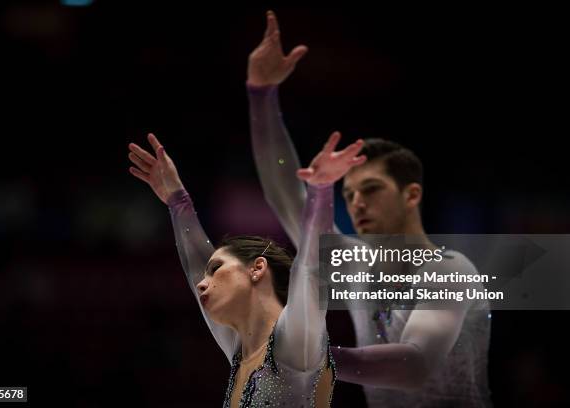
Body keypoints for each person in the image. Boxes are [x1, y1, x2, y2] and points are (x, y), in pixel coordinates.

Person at [246, 10, 493, 407]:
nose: (357, 202)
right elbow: (286, 197)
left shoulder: (451, 269)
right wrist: (260, 93)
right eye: (348, 193)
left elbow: (414, 366)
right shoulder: (353, 262)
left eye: (372, 189)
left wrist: (313, 359)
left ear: (412, 195)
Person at [127, 132, 365, 407]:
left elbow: (310, 269)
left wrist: (321, 190)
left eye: (215, 270)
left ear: (257, 269)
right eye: (206, 276)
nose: (202, 284)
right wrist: (177, 201)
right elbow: (195, 268)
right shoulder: (242, 351)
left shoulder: (294, 341)